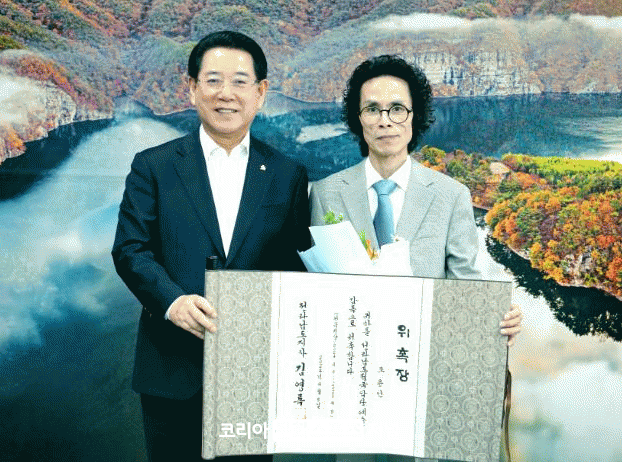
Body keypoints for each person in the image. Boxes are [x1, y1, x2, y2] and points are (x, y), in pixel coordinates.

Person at [303, 55, 522, 462]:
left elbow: (467, 287)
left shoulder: (450, 195)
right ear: (358, 119)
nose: (385, 121)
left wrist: (496, 318)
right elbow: (316, 288)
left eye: (397, 109)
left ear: (414, 116)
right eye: (372, 109)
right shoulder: (327, 192)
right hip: (352, 378)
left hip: (423, 374)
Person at [112, 31, 310, 462]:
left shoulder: (288, 174)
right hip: (171, 367)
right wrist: (172, 302)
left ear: (260, 93)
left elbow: (297, 263)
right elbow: (130, 249)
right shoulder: (153, 165)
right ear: (192, 88)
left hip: (253, 373)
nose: (226, 94)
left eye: (240, 82)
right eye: (213, 80)